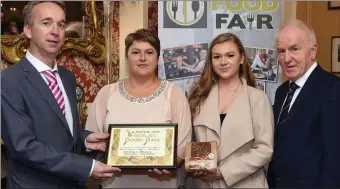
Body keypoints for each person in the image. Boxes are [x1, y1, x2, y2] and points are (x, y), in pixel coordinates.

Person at [1, 2, 121, 188]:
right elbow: (23, 147)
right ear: (28, 30)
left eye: (61, 24)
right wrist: (85, 167)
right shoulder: (9, 81)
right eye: (46, 23)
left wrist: (84, 139)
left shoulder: (67, 78)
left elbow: (60, 128)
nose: (55, 31)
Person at [85, 28, 192, 188]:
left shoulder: (174, 93)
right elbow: (92, 138)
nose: (143, 58)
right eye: (136, 52)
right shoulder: (107, 93)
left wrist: (169, 163)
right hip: (115, 183)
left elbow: (184, 143)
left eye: (149, 52)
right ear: (126, 57)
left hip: (161, 183)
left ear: (157, 58)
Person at [187, 33, 274, 188]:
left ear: (241, 58)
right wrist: (196, 166)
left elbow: (264, 149)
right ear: (211, 61)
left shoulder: (257, 98)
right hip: (206, 184)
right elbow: (191, 143)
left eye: (230, 55)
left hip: (247, 184)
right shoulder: (199, 97)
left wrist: (223, 172)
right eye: (217, 57)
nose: (223, 62)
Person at [267, 19, 340, 188]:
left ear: (313, 51)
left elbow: (335, 159)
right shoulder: (282, 92)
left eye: (294, 49)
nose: (286, 58)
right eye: (281, 51)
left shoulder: (333, 89)